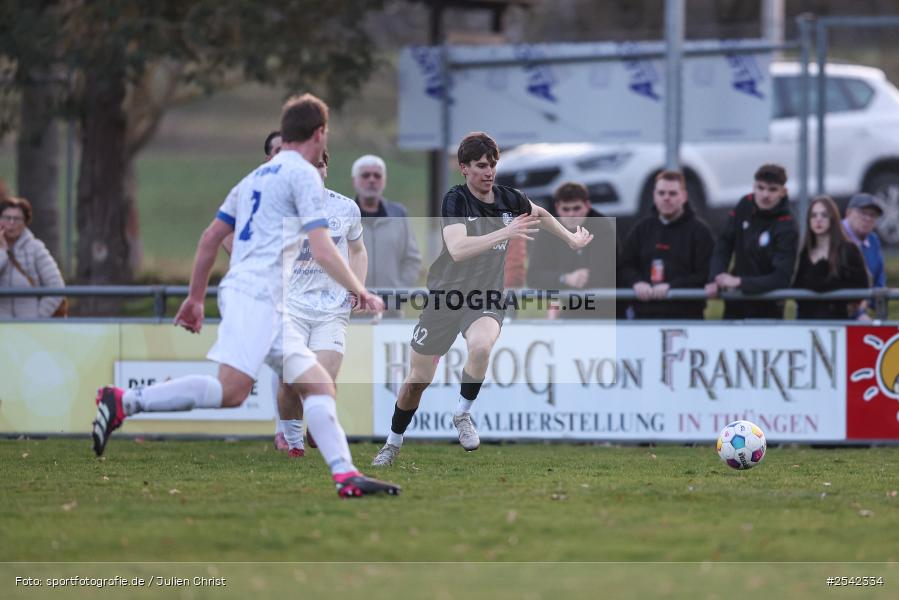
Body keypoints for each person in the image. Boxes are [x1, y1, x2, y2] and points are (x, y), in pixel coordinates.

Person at [91, 93, 399, 498]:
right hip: (256, 295)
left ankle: (345, 475)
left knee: (319, 385)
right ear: (320, 134)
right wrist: (361, 291)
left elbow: (209, 239)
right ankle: (123, 400)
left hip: (263, 298)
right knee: (231, 392)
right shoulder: (304, 175)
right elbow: (323, 249)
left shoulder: (253, 178)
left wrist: (196, 298)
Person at [371, 132, 593, 467]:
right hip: (445, 298)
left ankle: (462, 414)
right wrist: (505, 232)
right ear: (464, 168)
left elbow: (541, 214)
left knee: (481, 346)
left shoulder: (508, 198)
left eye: (492, 165)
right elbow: (458, 250)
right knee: (417, 380)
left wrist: (570, 238)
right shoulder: (456, 200)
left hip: (486, 296)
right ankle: (392, 443)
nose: (488, 172)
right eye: (480, 166)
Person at [271, 148, 369, 456]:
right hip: (292, 308)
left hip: (332, 310)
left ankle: (316, 422)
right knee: (289, 381)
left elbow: (358, 251)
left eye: (319, 165)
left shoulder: (346, 208)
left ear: (326, 168)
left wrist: (357, 287)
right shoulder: (282, 208)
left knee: (322, 380)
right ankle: (294, 440)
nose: (314, 171)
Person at [705, 163, 799, 319]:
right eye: (760, 188)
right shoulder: (745, 204)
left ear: (783, 192)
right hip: (735, 304)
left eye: (772, 189)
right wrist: (715, 277)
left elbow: (781, 278)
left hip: (768, 308)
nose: (765, 195)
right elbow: (724, 243)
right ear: (753, 187)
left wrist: (739, 282)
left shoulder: (787, 225)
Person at [620, 171, 714, 320]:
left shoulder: (700, 232)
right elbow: (625, 265)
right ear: (654, 196)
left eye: (672, 193)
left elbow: (705, 274)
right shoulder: (641, 229)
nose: (666, 198)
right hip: (643, 320)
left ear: (684, 196)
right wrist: (636, 282)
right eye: (661, 193)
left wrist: (672, 287)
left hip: (687, 320)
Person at [526, 181, 615, 319]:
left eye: (576, 208)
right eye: (566, 209)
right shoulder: (547, 232)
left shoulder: (602, 227)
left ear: (587, 206)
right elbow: (533, 277)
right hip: (567, 309)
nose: (571, 214)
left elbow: (604, 275)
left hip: (603, 309)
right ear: (557, 208)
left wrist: (558, 284)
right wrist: (565, 278)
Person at [352, 154, 421, 312]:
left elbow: (412, 260)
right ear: (354, 180)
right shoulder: (342, 215)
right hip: (351, 311)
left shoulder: (399, 214)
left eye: (377, 175)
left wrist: (398, 294)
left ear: (384, 180)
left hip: (390, 311)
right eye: (365, 175)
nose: (371, 180)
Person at [793, 195, 870, 320]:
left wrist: (823, 283)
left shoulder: (848, 250)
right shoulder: (804, 252)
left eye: (824, 215)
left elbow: (862, 286)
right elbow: (797, 287)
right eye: (814, 215)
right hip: (806, 322)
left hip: (838, 322)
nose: (818, 220)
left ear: (832, 218)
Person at [0, 195, 66, 318]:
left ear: (25, 223)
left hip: (28, 328)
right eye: (7, 218)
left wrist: (38, 317)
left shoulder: (36, 248)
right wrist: (2, 252)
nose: (12, 223)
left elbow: (56, 286)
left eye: (17, 219)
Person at [221, 131, 283, 255]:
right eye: (279, 151)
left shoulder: (300, 188)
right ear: (269, 159)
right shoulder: (252, 189)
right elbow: (225, 235)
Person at [842, 193, 886, 319]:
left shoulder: (873, 241)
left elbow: (879, 282)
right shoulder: (835, 235)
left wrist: (869, 302)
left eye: (872, 215)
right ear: (848, 213)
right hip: (833, 314)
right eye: (863, 212)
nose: (868, 218)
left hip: (860, 313)